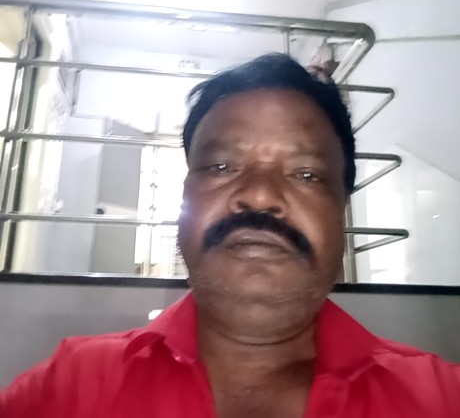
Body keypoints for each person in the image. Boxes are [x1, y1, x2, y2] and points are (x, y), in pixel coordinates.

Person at [1, 53, 459, 417]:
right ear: (184, 197)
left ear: (342, 211)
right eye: (221, 166)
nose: (259, 195)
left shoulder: (441, 399)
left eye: (305, 173)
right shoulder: (69, 388)